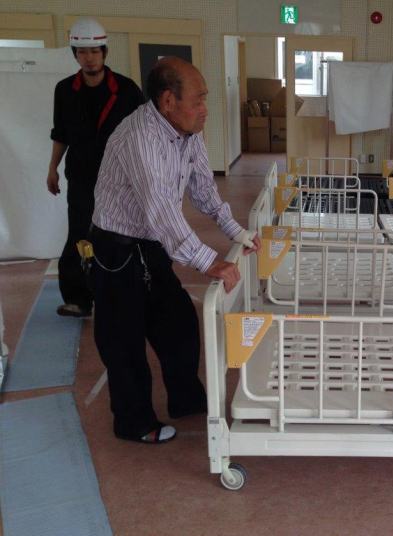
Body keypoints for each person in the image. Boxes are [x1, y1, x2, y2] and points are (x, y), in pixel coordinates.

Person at [90, 57, 260, 444]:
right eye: (198, 100)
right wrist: (209, 261)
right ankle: (133, 423)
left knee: (178, 323)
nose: (205, 110)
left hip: (149, 245)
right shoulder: (141, 138)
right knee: (124, 341)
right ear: (168, 101)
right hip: (116, 248)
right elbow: (161, 211)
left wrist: (238, 233)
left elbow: (203, 188)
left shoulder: (187, 132)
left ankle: (185, 400)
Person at [48, 18, 145, 317]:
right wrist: (52, 168)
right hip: (81, 177)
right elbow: (60, 133)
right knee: (80, 234)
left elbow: (144, 134)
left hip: (120, 178)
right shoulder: (65, 90)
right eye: (82, 52)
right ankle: (78, 298)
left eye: (94, 51)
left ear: (104, 52)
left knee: (119, 234)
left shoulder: (126, 90)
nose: (88, 58)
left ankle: (122, 290)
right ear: (75, 54)